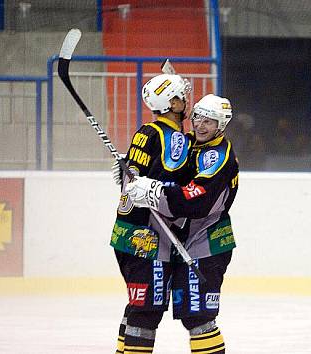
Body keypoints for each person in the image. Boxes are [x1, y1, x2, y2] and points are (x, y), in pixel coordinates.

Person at [125, 94, 238, 354]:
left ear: (221, 126)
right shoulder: (189, 143)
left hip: (207, 244)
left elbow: (195, 201)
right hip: (182, 243)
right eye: (198, 117)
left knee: (198, 317)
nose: (199, 125)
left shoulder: (219, 156)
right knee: (144, 311)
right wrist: (133, 169)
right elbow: (165, 168)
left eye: (209, 122)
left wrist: (152, 191)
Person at [110, 73, 194, 353]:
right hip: (148, 240)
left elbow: (134, 177)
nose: (186, 100)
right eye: (181, 96)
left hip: (125, 234)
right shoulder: (172, 137)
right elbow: (170, 181)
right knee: (146, 311)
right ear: (172, 103)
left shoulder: (144, 132)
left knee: (137, 304)